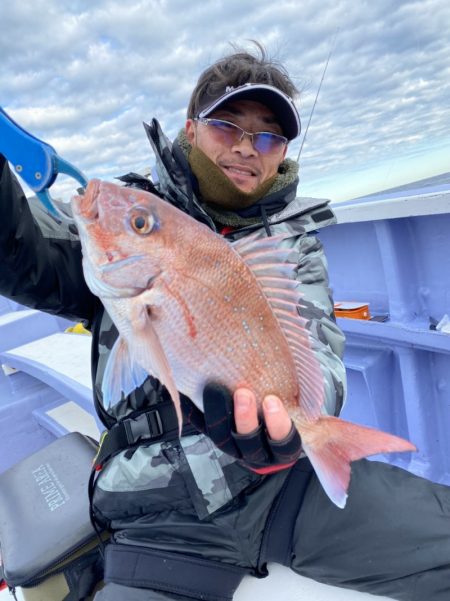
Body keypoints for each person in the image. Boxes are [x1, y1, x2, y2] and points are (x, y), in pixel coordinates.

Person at [0, 43, 449, 601]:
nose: (246, 148)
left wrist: (289, 436)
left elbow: (320, 361)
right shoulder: (130, 225)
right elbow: (17, 253)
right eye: (226, 126)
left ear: (281, 152)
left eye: (267, 136)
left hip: (281, 484)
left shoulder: (293, 250)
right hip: (156, 508)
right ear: (191, 130)